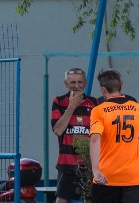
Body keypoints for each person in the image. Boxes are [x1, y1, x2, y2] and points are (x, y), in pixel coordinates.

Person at [89, 69, 139, 203]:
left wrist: (95, 170)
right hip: (133, 178)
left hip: (106, 177)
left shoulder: (98, 111)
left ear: (103, 90)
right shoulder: (137, 108)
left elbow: (94, 139)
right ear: (121, 86)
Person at [51, 67, 97, 203]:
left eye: (80, 82)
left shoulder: (94, 103)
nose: (77, 86)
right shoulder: (58, 102)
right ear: (66, 84)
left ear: (85, 83)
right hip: (67, 163)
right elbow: (58, 130)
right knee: (61, 200)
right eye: (72, 83)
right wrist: (72, 106)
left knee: (89, 199)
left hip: (88, 163)